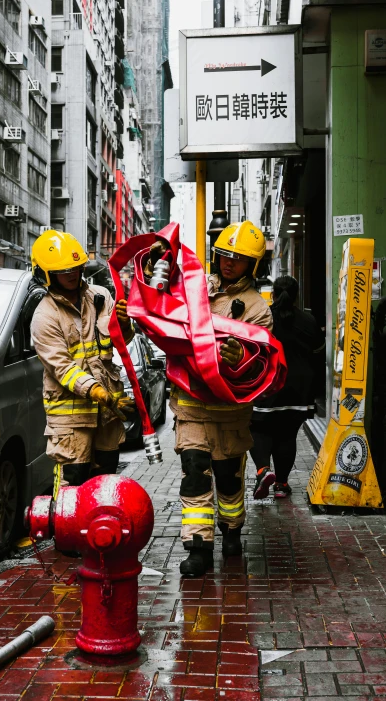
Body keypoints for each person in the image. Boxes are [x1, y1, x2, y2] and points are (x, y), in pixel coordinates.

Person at [145, 221, 273, 576]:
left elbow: (261, 363)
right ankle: (197, 547)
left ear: (254, 265)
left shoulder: (258, 308)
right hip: (190, 406)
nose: (228, 262)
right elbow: (163, 301)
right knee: (194, 477)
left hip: (230, 414)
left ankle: (232, 531)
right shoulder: (198, 287)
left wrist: (240, 360)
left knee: (229, 482)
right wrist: (154, 264)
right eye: (223, 255)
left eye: (239, 258)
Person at [30, 230, 135, 496]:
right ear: (46, 273)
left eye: (76, 267)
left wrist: (124, 324)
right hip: (71, 422)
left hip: (107, 415)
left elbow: (121, 342)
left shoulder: (100, 297)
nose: (72, 274)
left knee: (105, 487)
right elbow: (62, 368)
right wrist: (98, 392)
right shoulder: (44, 315)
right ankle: (66, 539)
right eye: (63, 270)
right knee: (72, 491)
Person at [250, 276, 325, 499]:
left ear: (273, 294)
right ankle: (282, 484)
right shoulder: (309, 320)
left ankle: (263, 470)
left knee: (258, 429)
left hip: (268, 385)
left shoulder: (263, 317)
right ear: (296, 295)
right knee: (287, 434)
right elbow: (318, 355)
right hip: (299, 389)